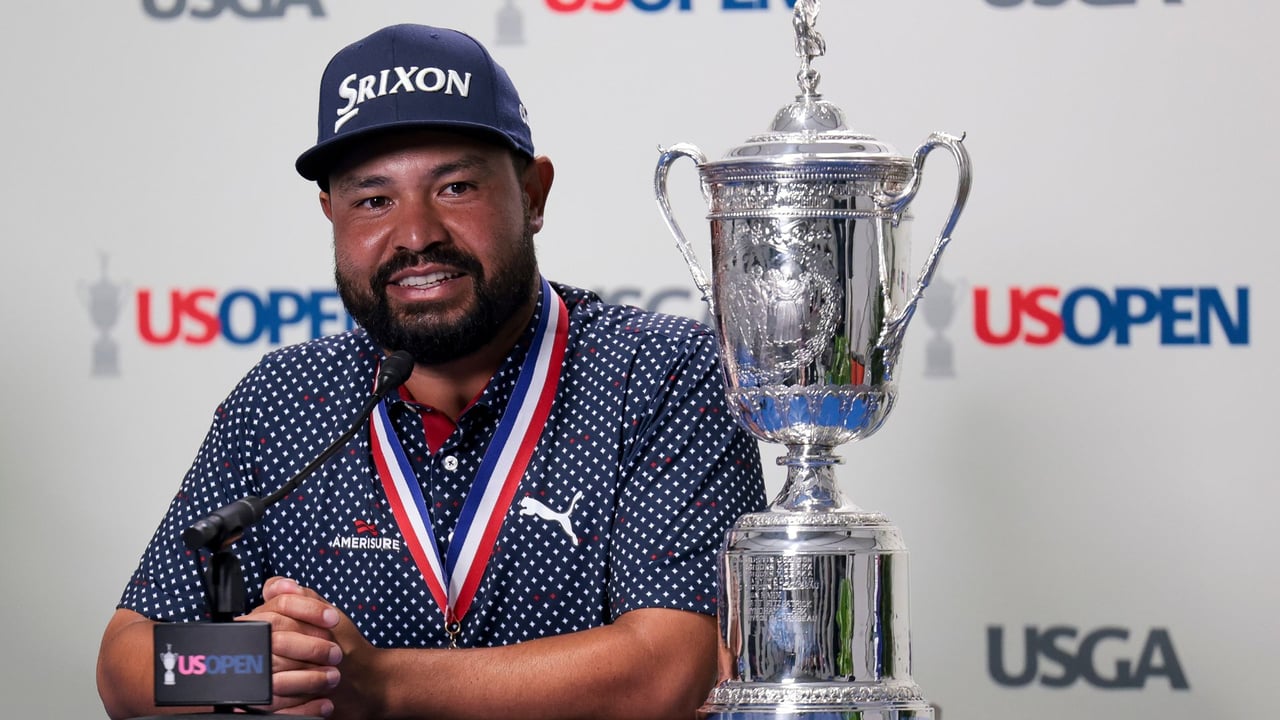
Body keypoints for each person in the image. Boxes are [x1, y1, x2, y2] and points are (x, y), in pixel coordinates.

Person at [95, 22, 766, 720]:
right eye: (374, 199)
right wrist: (261, 667)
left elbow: (676, 670)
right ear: (331, 213)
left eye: (454, 186)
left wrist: (380, 685)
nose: (416, 235)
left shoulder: (660, 372)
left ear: (533, 195)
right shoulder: (283, 398)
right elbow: (126, 668)